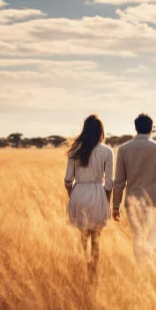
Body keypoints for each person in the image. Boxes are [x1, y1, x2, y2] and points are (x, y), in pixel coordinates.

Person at [112, 113, 156, 263]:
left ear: (136, 128)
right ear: (151, 128)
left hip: (133, 203)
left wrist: (115, 206)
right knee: (150, 241)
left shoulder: (123, 149)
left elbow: (119, 181)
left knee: (138, 238)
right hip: (155, 203)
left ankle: (140, 270)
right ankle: (146, 273)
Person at [65, 115, 114, 276]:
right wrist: (106, 201)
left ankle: (81, 270)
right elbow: (109, 183)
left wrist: (73, 196)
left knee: (83, 237)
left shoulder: (75, 151)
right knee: (96, 239)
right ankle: (92, 274)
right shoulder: (107, 151)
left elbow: (67, 180)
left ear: (84, 130)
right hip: (98, 195)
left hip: (79, 194)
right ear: (101, 131)